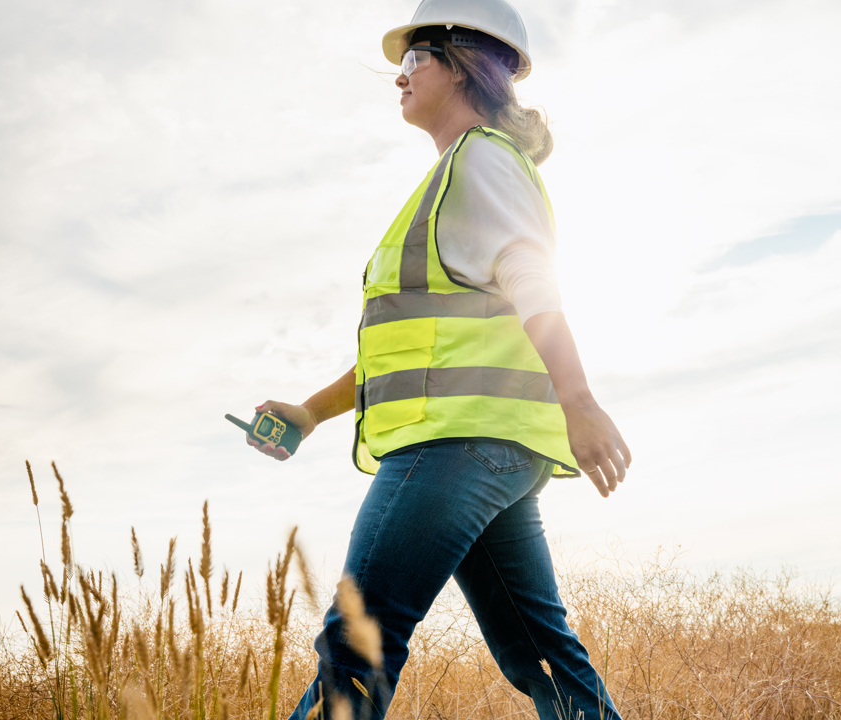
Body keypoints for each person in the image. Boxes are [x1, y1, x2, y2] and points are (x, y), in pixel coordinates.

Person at [245, 1, 630, 718]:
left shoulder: (481, 162)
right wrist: (311, 412)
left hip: (455, 447)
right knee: (539, 654)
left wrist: (580, 400)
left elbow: (534, 282)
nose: (399, 75)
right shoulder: (460, 174)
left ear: (460, 60)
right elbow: (411, 351)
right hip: (493, 449)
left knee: (359, 643)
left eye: (413, 57)